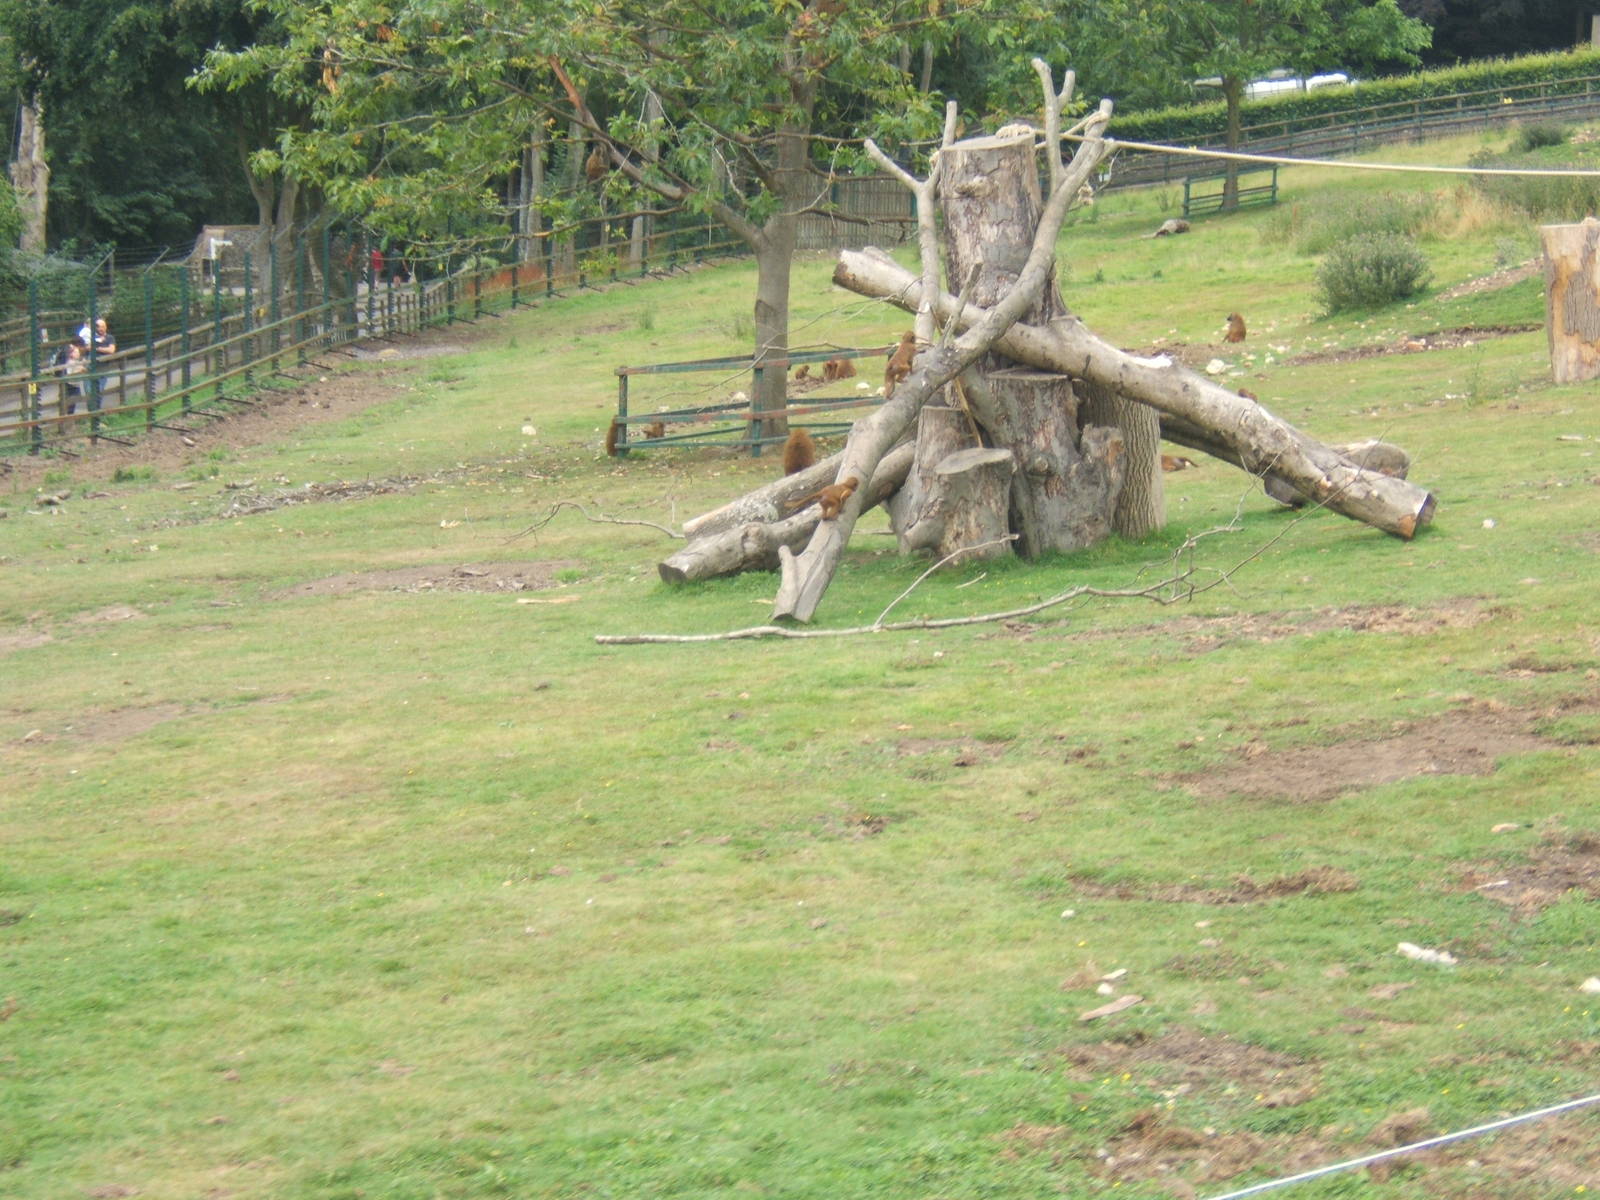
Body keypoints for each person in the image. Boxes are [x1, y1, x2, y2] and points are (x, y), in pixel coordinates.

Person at [53, 336, 87, 415]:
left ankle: (66, 417)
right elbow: (76, 363)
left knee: (67, 398)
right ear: (78, 345)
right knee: (72, 398)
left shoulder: (66, 349)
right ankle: (68, 418)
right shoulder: (74, 350)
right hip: (69, 379)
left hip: (64, 377)